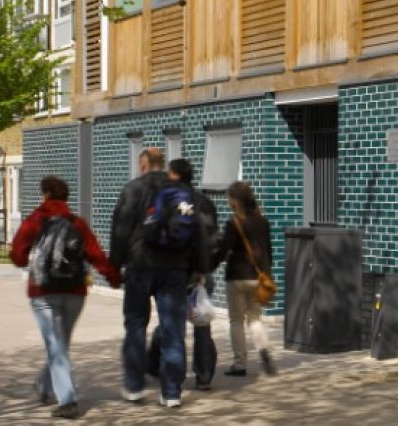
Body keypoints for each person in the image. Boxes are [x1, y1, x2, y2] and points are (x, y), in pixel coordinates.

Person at [9, 175, 122, 420]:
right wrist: (113, 277)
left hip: (43, 292)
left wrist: (27, 259)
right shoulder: (77, 223)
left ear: (46, 195)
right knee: (60, 345)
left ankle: (68, 401)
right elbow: (96, 254)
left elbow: (17, 255)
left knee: (55, 346)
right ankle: (44, 385)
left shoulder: (34, 220)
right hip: (74, 292)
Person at [109, 147, 209, 408]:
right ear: (163, 165)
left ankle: (133, 386)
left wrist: (114, 265)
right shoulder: (183, 193)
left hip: (139, 266)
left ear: (143, 165)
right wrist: (199, 267)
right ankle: (172, 392)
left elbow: (120, 228)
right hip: (175, 267)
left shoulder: (133, 189)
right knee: (173, 330)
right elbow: (198, 232)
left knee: (135, 325)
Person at [147, 158, 219, 391]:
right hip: (202, 272)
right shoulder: (206, 203)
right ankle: (204, 376)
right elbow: (212, 239)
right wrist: (205, 268)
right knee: (201, 323)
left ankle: (169, 375)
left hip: (176, 270)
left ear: (175, 176)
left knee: (171, 325)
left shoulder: (170, 202)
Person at [211, 180, 276, 377]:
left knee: (236, 321)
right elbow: (268, 250)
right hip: (257, 277)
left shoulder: (234, 223)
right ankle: (263, 347)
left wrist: (208, 265)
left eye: (229, 197)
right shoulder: (262, 221)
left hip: (237, 277)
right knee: (254, 318)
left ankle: (239, 364)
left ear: (235, 200)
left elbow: (223, 251)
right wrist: (267, 273)